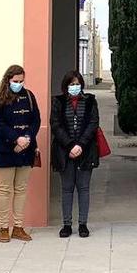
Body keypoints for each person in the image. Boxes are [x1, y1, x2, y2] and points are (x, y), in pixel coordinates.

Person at [0, 64, 40, 243]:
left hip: (26, 148)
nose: (18, 84)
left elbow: (36, 120)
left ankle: (18, 227)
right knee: (4, 189)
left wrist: (26, 137)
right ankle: (4, 228)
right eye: (15, 81)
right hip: (5, 149)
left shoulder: (29, 96)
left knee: (21, 189)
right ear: (8, 80)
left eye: (21, 81)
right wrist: (15, 139)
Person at [50, 70, 100, 238]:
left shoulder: (90, 101)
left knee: (84, 188)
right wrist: (70, 145)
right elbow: (55, 125)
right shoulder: (58, 101)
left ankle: (83, 224)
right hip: (64, 151)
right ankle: (66, 224)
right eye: (72, 84)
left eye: (78, 84)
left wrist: (81, 145)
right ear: (66, 86)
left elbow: (93, 123)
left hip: (85, 151)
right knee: (67, 188)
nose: (75, 87)